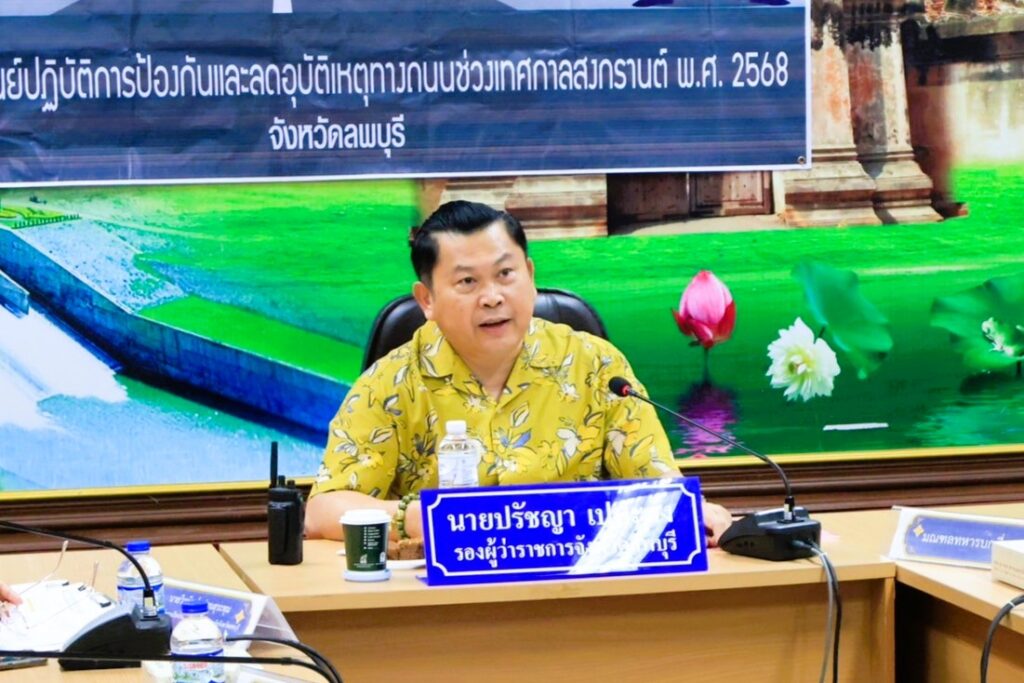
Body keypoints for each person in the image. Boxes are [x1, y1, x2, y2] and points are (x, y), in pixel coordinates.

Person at [305, 200, 732, 544]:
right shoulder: (390, 384)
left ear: (529, 275)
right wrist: (417, 519)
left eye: (505, 274)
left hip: (575, 593)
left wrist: (692, 512)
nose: (492, 297)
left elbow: (658, 485)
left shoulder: (596, 366)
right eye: (467, 282)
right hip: (438, 605)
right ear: (427, 300)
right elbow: (323, 509)